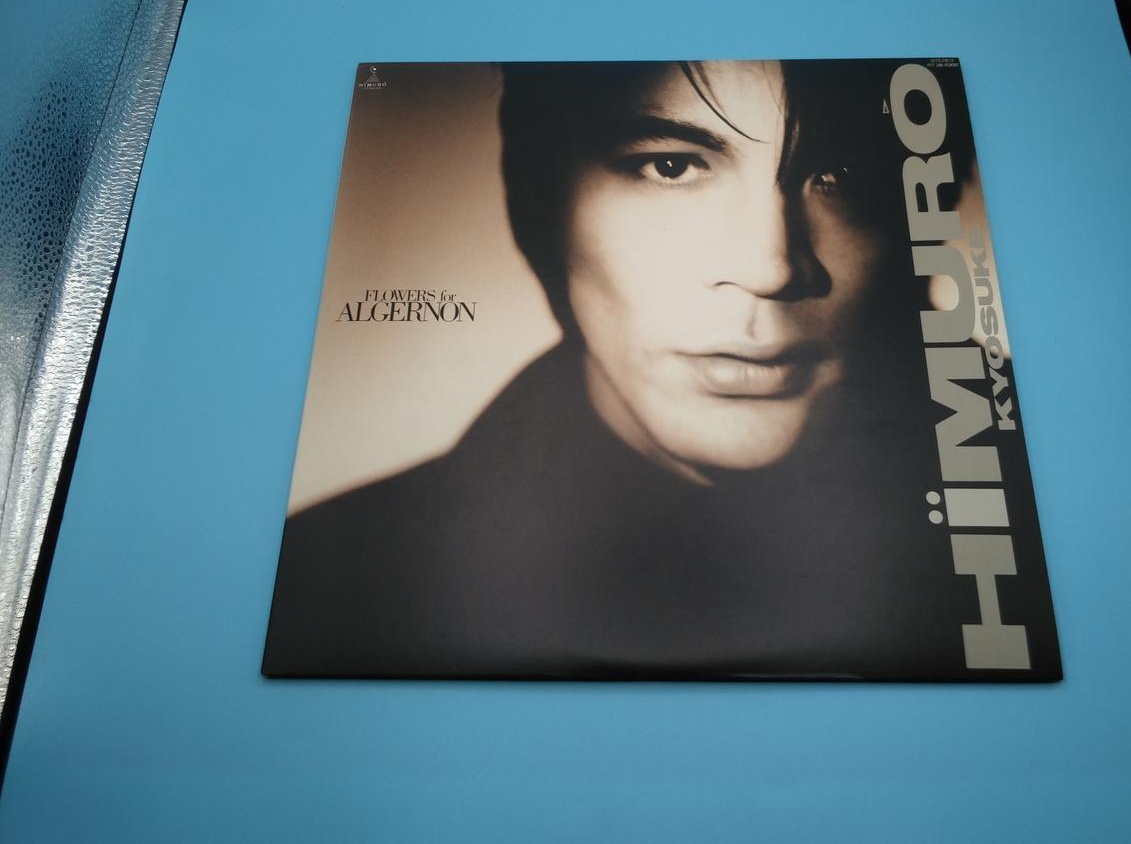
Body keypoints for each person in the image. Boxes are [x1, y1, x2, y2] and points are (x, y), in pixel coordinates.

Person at [263, 60, 969, 679]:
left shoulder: (1025, 538)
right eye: (672, 166)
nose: (771, 266)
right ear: (535, 198)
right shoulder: (328, 591)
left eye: (846, 175)